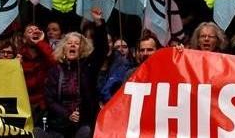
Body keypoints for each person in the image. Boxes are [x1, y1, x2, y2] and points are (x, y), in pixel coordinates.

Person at [45, 8, 108, 138]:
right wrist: (67, 114)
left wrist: (99, 23)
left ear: (82, 48)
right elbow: (50, 99)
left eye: (77, 43)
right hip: (59, 123)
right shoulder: (55, 70)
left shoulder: (88, 66)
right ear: (63, 47)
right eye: (69, 43)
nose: (73, 45)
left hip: (84, 123)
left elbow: (102, 50)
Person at [100, 32, 160, 103]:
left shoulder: (166, 72)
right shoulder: (131, 74)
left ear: (158, 50)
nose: (145, 53)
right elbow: (125, 101)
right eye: (142, 50)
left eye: (150, 50)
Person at [19, 24, 57, 128]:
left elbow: (54, 62)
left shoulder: (46, 52)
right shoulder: (19, 56)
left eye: (37, 30)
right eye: (30, 31)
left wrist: (40, 42)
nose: (34, 32)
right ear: (24, 38)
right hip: (25, 104)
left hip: (43, 104)